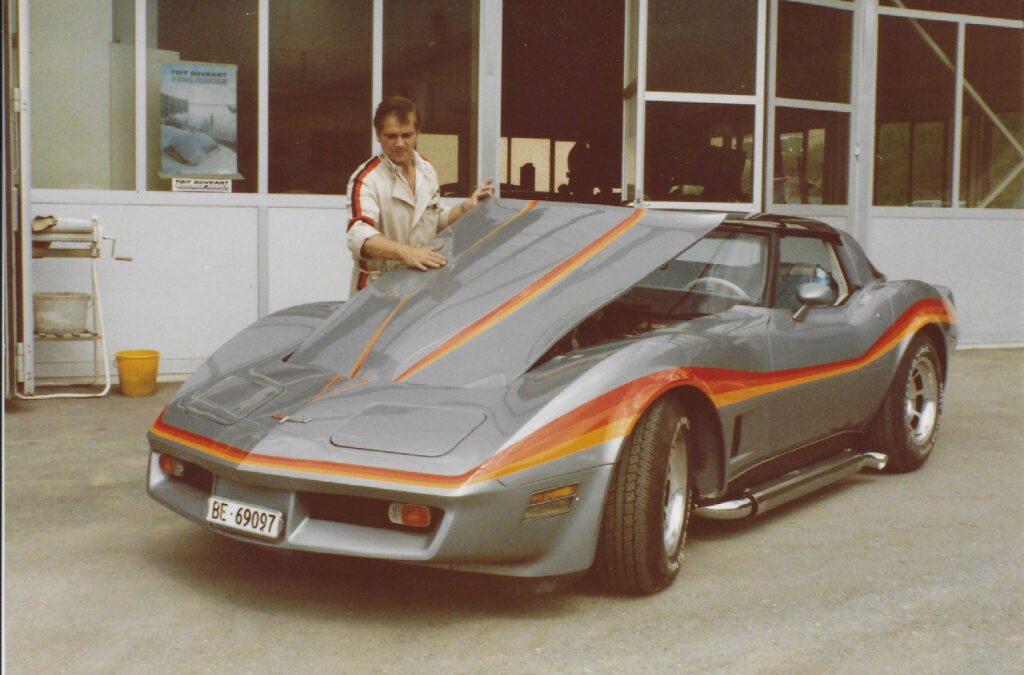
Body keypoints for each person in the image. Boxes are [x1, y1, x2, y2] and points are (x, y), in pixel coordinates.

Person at [346, 96, 494, 293]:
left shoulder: (426, 169)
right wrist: (407, 253)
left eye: (407, 135)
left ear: (417, 134)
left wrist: (468, 206)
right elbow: (360, 236)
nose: (400, 143)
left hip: (421, 285)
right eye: (392, 136)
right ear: (378, 134)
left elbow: (434, 218)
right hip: (377, 290)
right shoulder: (366, 179)